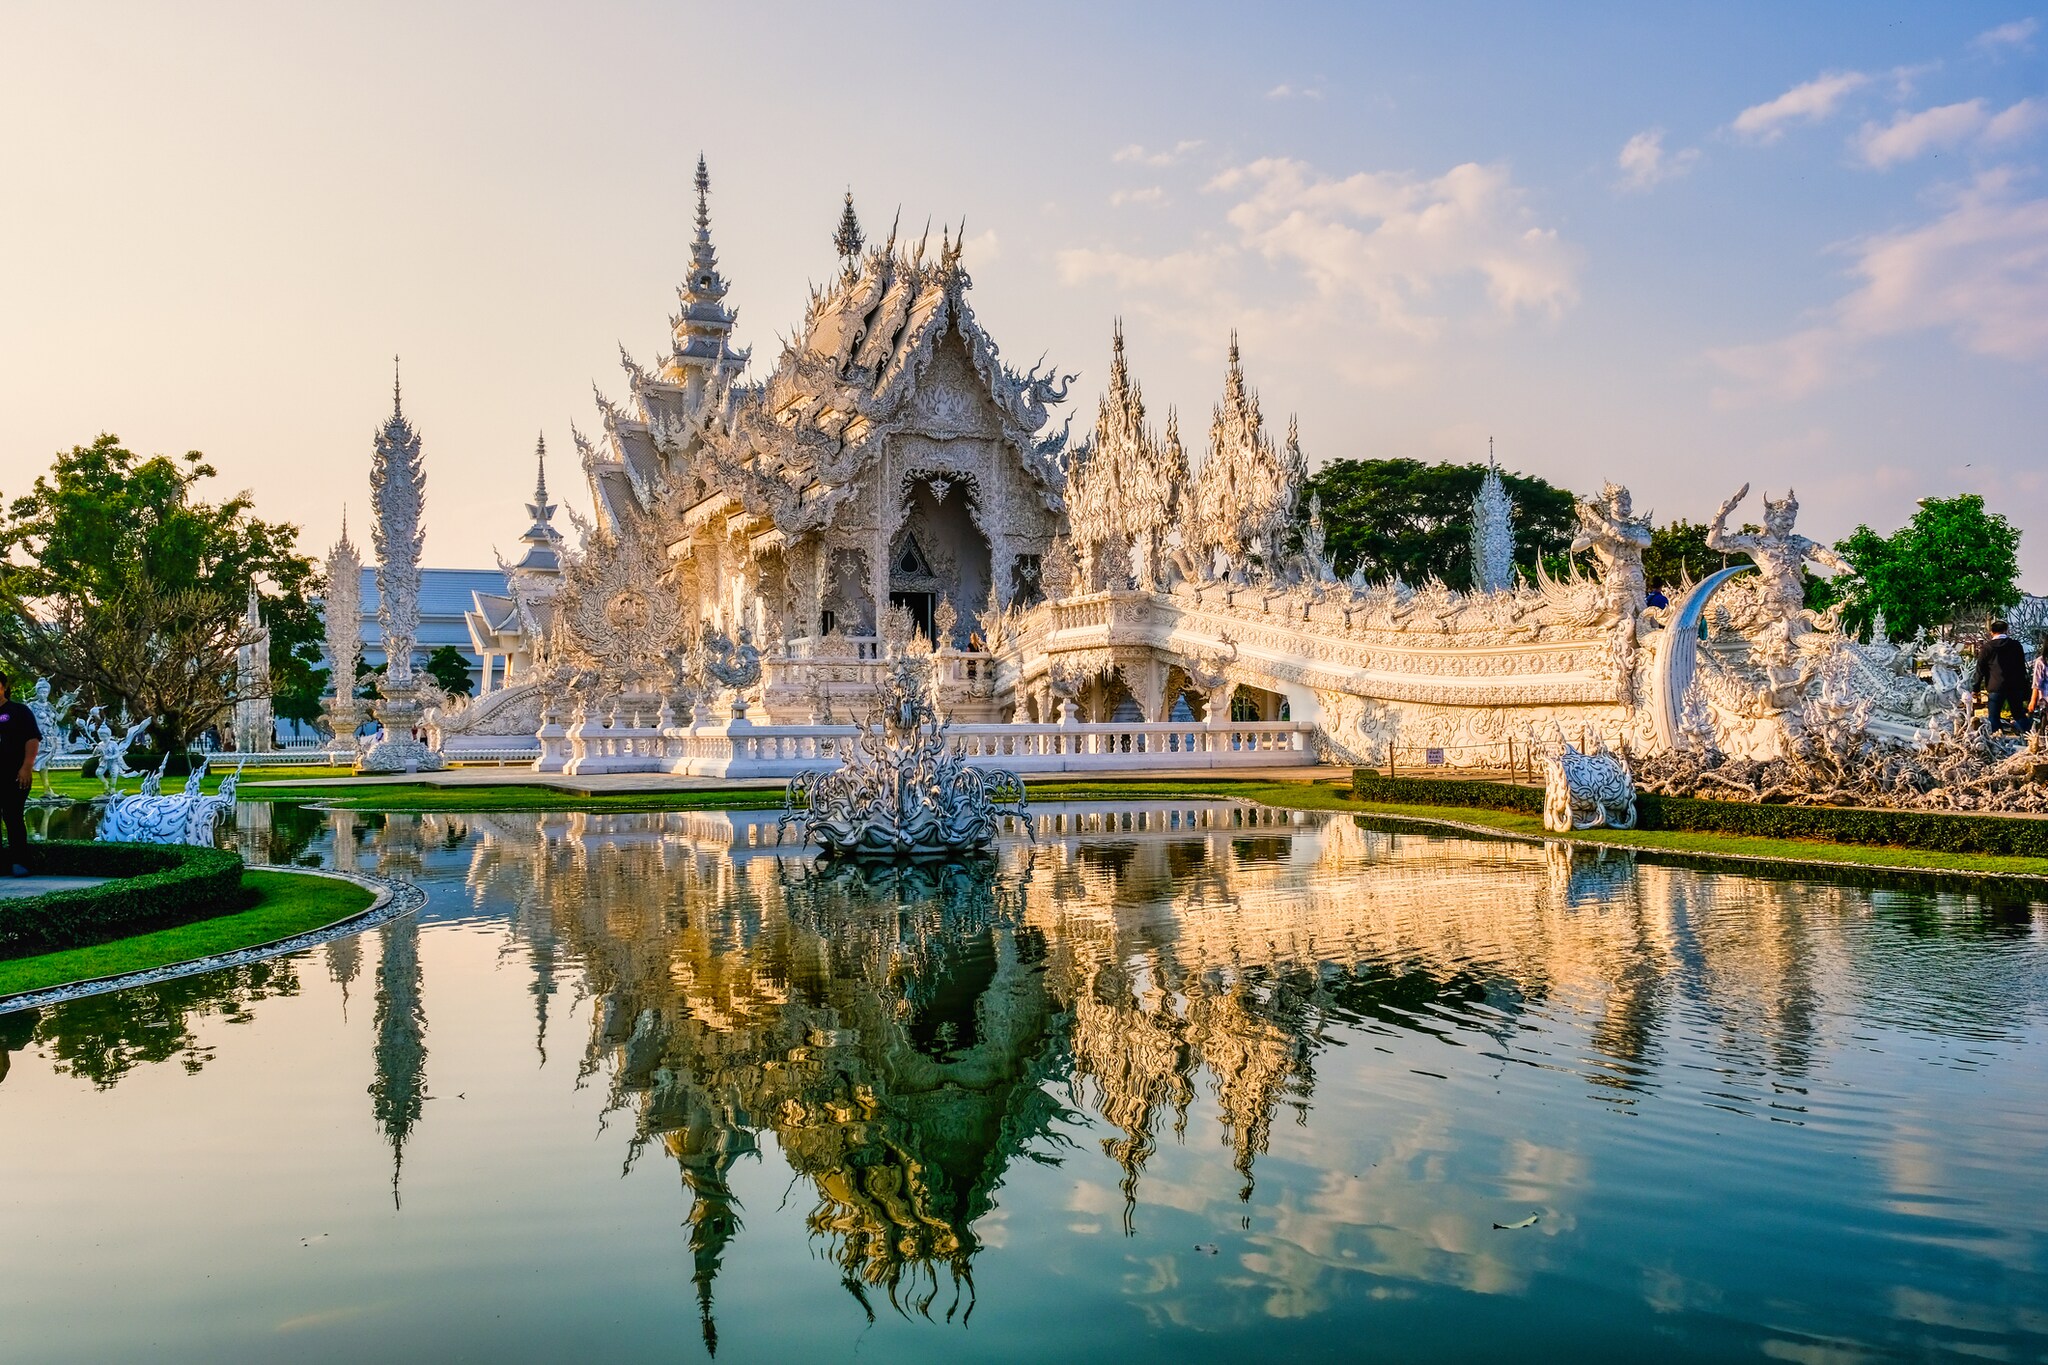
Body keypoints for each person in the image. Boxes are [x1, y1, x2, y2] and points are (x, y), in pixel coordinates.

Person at [0, 672, 43, 876]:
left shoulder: (19, 711)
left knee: (12, 816)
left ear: (3, 687)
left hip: (14, 775)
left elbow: (32, 739)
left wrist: (27, 766)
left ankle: (20, 862)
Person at [1972, 619, 2032, 736]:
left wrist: (1976, 688)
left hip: (1995, 686)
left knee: (1993, 717)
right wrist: (2025, 687)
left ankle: (1997, 741)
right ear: (2006, 630)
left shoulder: (1987, 648)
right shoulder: (2016, 645)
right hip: (2015, 686)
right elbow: (2021, 667)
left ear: (1991, 632)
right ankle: (2030, 737)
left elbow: (1980, 669)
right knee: (2019, 714)